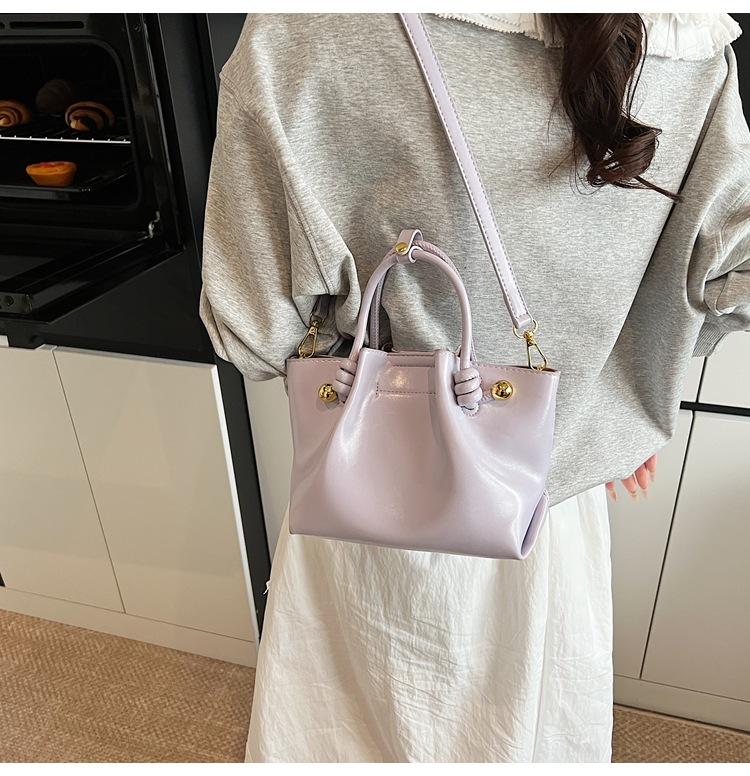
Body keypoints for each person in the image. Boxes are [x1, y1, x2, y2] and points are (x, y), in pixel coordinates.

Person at [199, 13, 750, 762]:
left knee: (353, 732)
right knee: (528, 732)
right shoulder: (686, 35)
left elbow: (253, 326)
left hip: (371, 471)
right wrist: (612, 402)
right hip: (545, 497)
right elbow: (727, 277)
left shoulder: (306, 28)